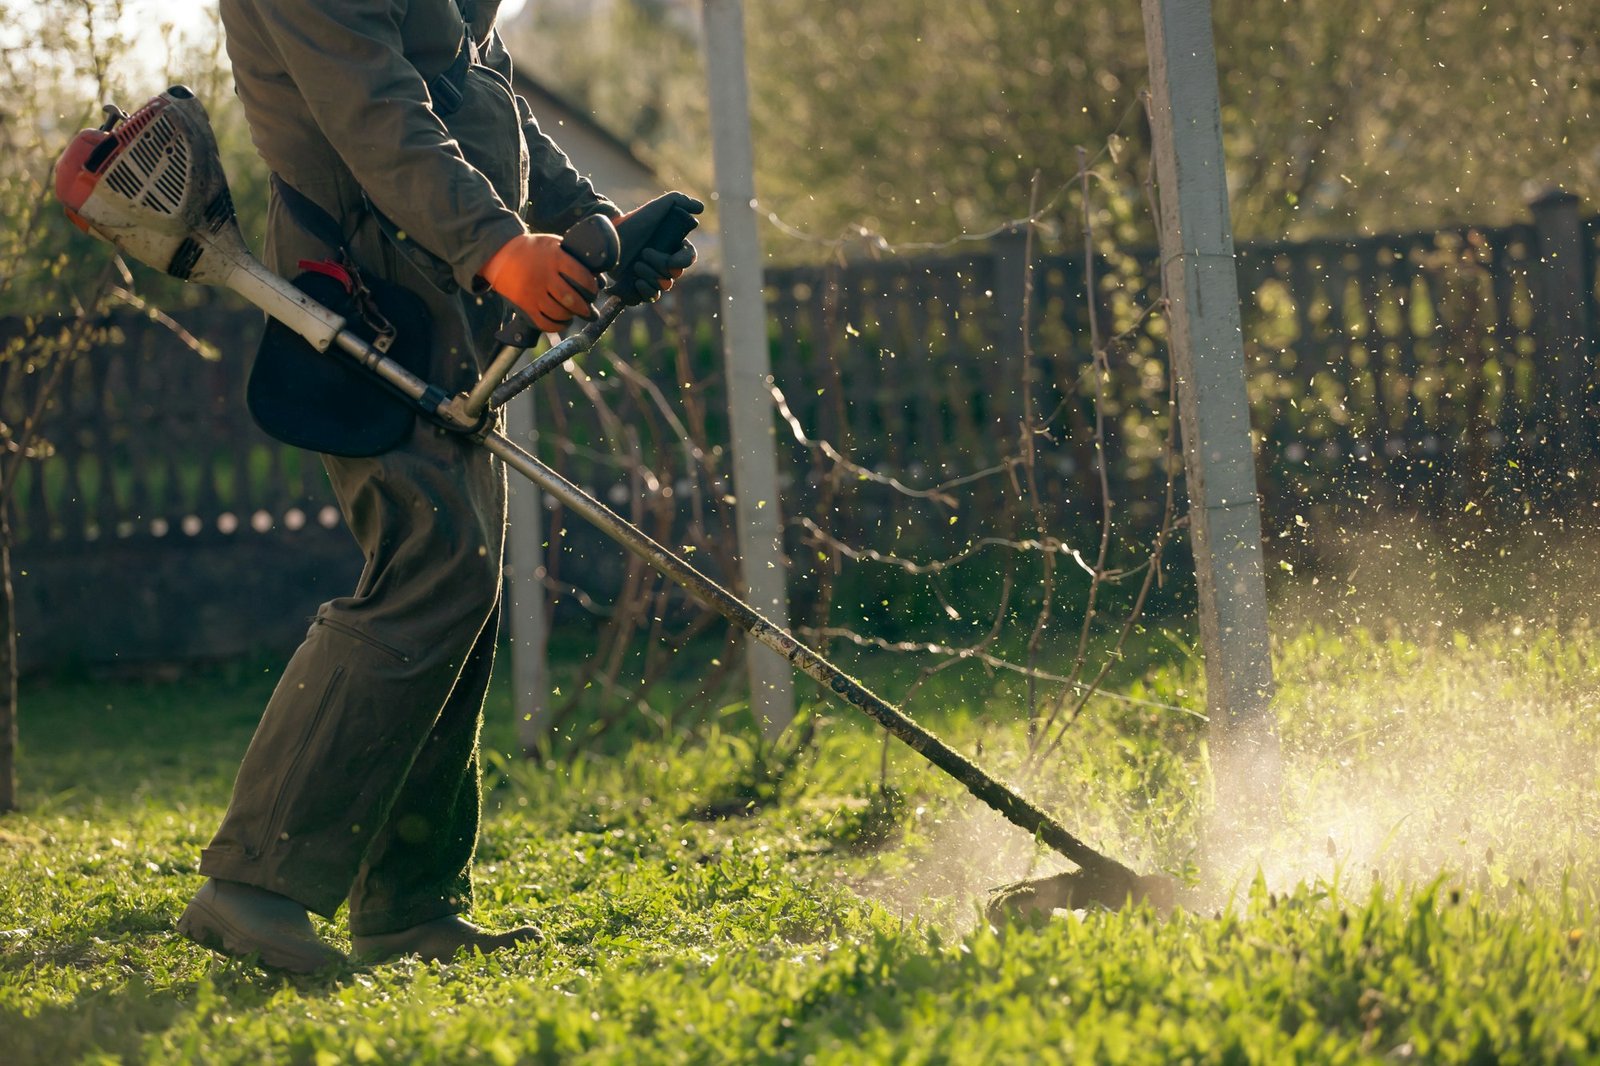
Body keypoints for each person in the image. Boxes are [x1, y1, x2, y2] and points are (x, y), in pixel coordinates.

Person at [176, 0, 698, 972]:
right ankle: (252, 880)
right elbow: (375, 108)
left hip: (438, 292)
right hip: (364, 297)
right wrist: (501, 248)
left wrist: (594, 225)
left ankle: (406, 902)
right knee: (432, 563)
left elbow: (478, 81)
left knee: (459, 577)